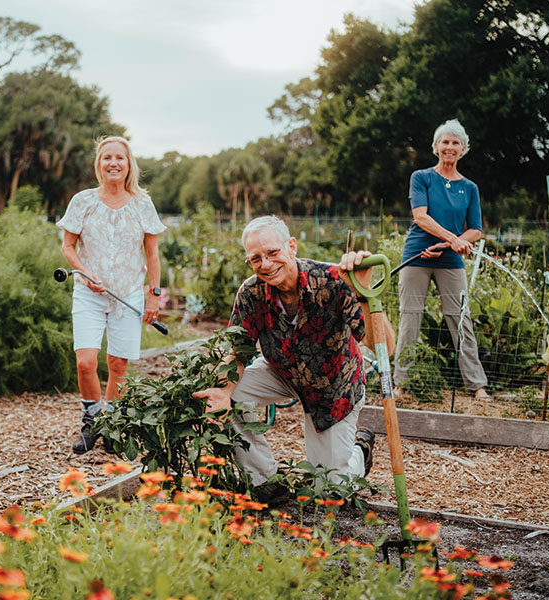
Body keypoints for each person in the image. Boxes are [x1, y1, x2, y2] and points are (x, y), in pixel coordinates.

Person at [193, 216, 394, 503]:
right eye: (256, 258)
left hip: (334, 386)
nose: (265, 263)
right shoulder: (251, 293)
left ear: (292, 246)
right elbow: (238, 349)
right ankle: (264, 480)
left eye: (272, 253)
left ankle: (360, 453)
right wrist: (225, 392)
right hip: (281, 371)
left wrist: (363, 292)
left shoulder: (333, 281)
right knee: (224, 393)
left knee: (329, 490)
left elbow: (385, 346)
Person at [57, 136, 166, 454]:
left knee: (118, 364)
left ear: (129, 163)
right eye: (107, 158)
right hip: (89, 294)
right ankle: (92, 421)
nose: (113, 163)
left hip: (129, 294)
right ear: (98, 165)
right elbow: (68, 246)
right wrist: (85, 273)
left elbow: (153, 254)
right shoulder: (83, 201)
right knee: (85, 363)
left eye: (119, 157)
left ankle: (114, 426)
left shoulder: (142, 204)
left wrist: (153, 296)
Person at [393, 118, 490, 401]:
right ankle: (401, 383)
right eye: (445, 142)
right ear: (436, 147)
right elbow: (420, 216)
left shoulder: (470, 188)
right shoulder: (422, 177)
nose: (450, 147)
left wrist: (451, 244)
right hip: (417, 256)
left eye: (455, 142)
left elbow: (475, 230)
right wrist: (453, 239)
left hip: (449, 260)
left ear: (463, 149)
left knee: (461, 320)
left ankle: (476, 385)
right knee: (410, 318)